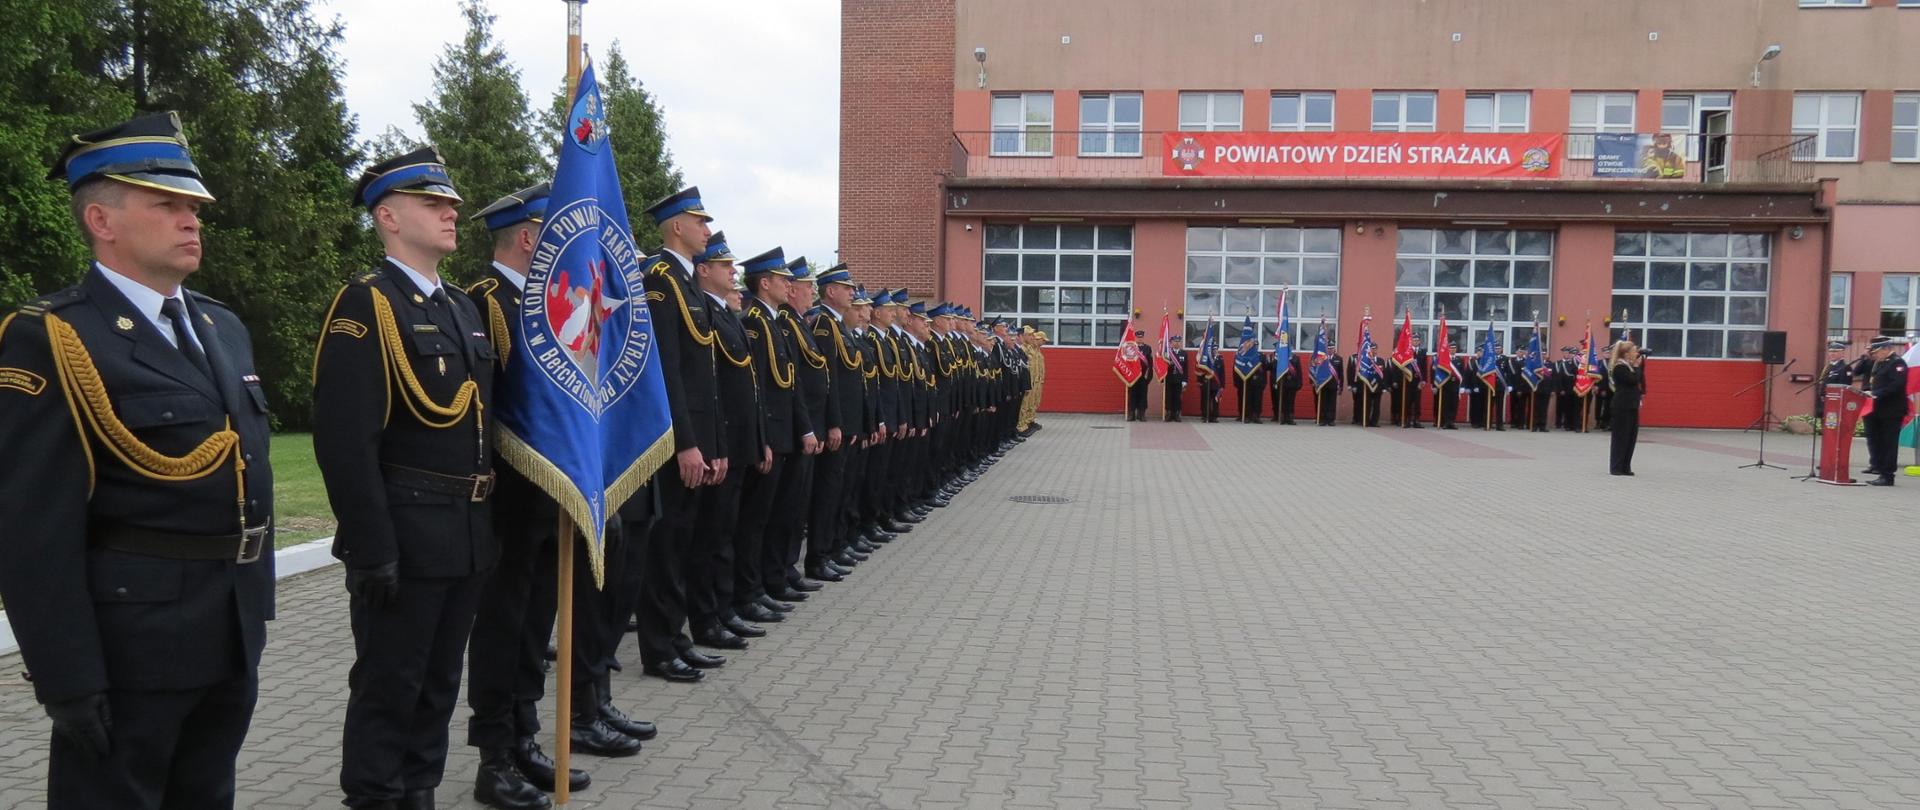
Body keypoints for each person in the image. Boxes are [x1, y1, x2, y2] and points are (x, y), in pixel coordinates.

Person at [0, 111, 274, 810]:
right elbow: (33, 526)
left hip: (229, 629)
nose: (192, 221)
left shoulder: (222, 327)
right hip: (131, 646)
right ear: (101, 218)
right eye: (168, 204)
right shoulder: (52, 338)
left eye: (194, 207)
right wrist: (66, 675)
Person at [315, 147, 498, 810]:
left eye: (449, 202)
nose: (451, 212)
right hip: (407, 533)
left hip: (467, 531)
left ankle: (417, 789)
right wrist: (371, 547)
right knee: (391, 683)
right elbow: (344, 440)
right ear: (388, 217)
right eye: (433, 203)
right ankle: (375, 796)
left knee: (439, 681)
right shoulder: (367, 305)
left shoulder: (461, 306)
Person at [461, 182, 600, 808]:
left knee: (536, 623)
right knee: (503, 624)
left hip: (554, 494)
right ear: (527, 237)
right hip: (511, 498)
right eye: (553, 232)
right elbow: (482, 410)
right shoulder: (485, 302)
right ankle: (494, 756)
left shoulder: (552, 303)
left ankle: (524, 737)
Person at [633, 186, 726, 684]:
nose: (707, 231)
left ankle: (676, 638)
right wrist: (685, 442)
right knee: (665, 547)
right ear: (675, 227)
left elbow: (704, 378)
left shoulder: (688, 284)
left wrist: (711, 445)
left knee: (684, 542)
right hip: (673, 440)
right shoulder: (660, 280)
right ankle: (659, 648)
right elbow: (666, 369)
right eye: (699, 222)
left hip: (696, 437)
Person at [1863, 337, 1909, 486]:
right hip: (1877, 409)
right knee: (1876, 440)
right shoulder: (1879, 363)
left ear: (1885, 349)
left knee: (1888, 442)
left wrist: (1877, 393)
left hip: (1891, 410)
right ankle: (1879, 468)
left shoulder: (1897, 363)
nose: (1875, 355)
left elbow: (1897, 384)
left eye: (1876, 352)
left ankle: (1888, 474)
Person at [1608, 339, 1645, 476]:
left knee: (1630, 437)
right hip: (1622, 406)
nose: (1636, 353)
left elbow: (1640, 378)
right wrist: (1636, 366)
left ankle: (1625, 466)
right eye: (1634, 351)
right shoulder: (1619, 367)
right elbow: (1632, 380)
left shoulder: (1630, 366)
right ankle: (1616, 466)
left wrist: (1639, 365)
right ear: (1626, 353)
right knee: (1621, 437)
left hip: (1632, 406)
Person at [1126, 329, 1153, 421]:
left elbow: (1150, 363)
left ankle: (1141, 414)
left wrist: (1148, 377)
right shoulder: (1131, 347)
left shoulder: (1148, 348)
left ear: (1143, 338)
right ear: (1135, 338)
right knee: (1132, 395)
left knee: (1143, 395)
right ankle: (1131, 414)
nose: (1140, 339)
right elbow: (1127, 362)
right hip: (1133, 376)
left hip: (1143, 377)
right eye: (1138, 337)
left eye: (1141, 337)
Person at [1162, 334, 1187, 421]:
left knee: (1177, 398)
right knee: (1169, 397)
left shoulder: (1184, 353)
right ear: (1172, 342)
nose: (1177, 343)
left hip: (1179, 379)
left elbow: (1186, 368)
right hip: (1169, 378)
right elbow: (1162, 366)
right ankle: (1168, 413)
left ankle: (1176, 414)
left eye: (1178, 341)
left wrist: (1185, 380)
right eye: (1175, 341)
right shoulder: (1168, 353)